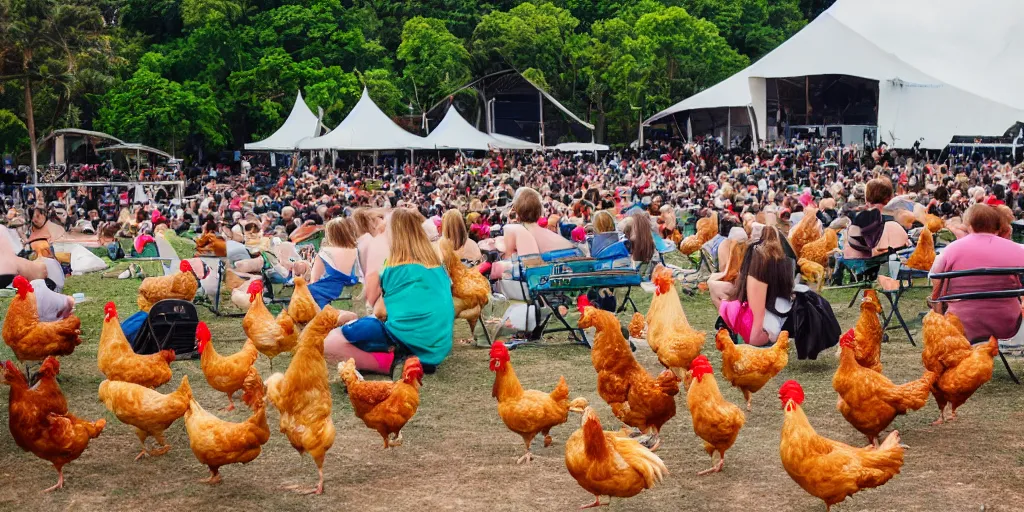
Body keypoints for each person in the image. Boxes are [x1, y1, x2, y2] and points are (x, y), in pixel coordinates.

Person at [324, 208, 454, 373]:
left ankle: (391, 364)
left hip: (411, 343)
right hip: (436, 348)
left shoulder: (394, 268)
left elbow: (380, 312)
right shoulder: (438, 268)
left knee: (330, 343)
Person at [930, 203, 1024, 341]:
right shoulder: (1018, 249)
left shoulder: (950, 250)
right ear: (997, 226)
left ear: (969, 225)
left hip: (960, 322)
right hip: (1007, 323)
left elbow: (935, 278)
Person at [719, 227, 794, 346]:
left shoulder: (756, 258)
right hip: (777, 317)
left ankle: (735, 332)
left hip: (762, 322)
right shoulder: (785, 261)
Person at [843, 177, 909, 258]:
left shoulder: (857, 225)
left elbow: (849, 256)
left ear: (866, 200)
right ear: (891, 198)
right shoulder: (899, 224)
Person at [310, 217, 359, 284]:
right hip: (356, 290)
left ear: (329, 234)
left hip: (331, 291)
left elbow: (314, 280)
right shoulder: (358, 250)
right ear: (348, 231)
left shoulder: (324, 253)